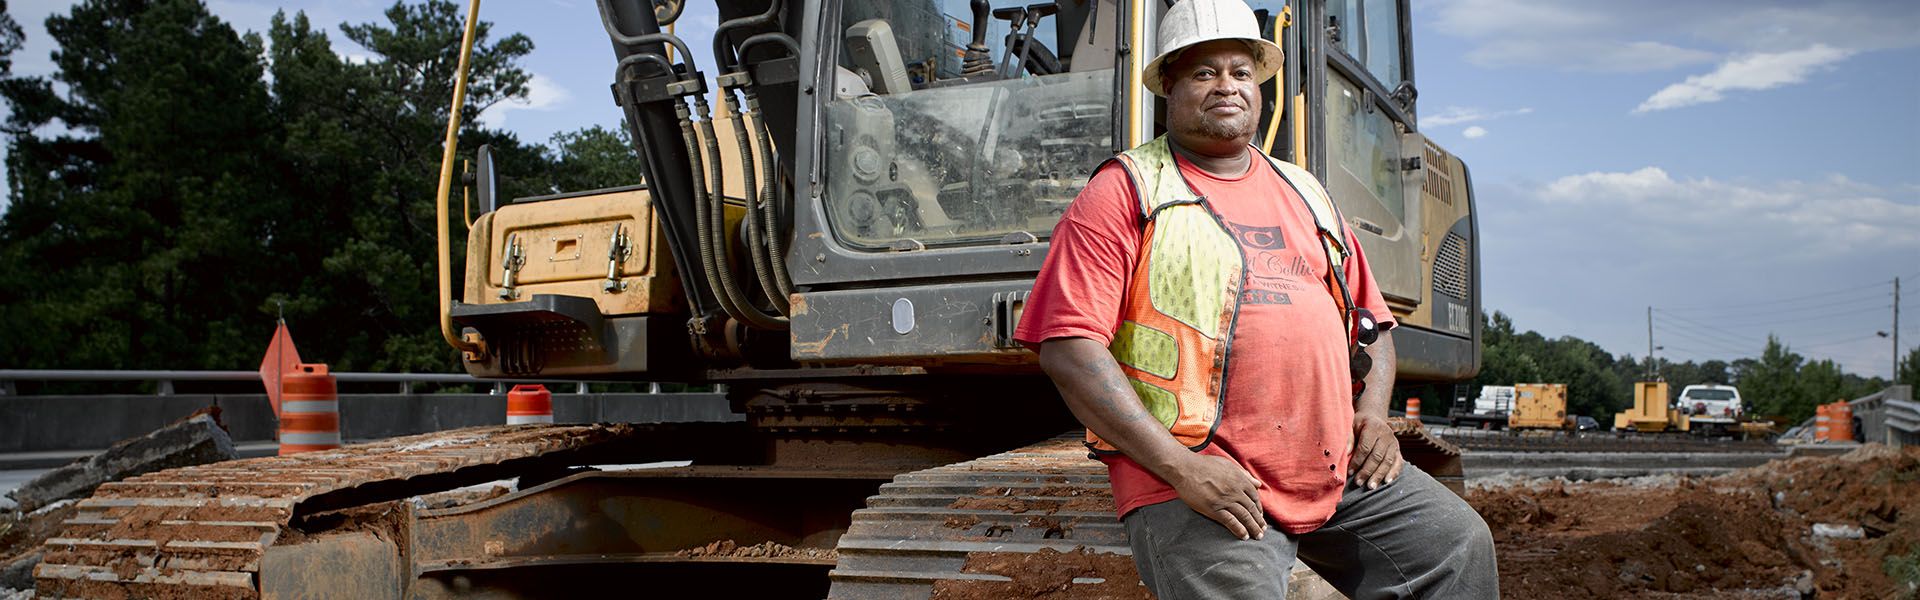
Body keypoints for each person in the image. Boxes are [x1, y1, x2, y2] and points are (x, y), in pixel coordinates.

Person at [1012, 0, 1498, 596]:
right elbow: (1068, 347)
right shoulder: (1125, 192)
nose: (1226, 87)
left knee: (1457, 545)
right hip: (1199, 479)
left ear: (1259, 86)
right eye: (1204, 73)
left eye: (1241, 72)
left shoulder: (1306, 192)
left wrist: (1372, 415)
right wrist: (1182, 468)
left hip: (1328, 463)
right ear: (1169, 85)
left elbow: (1372, 326)